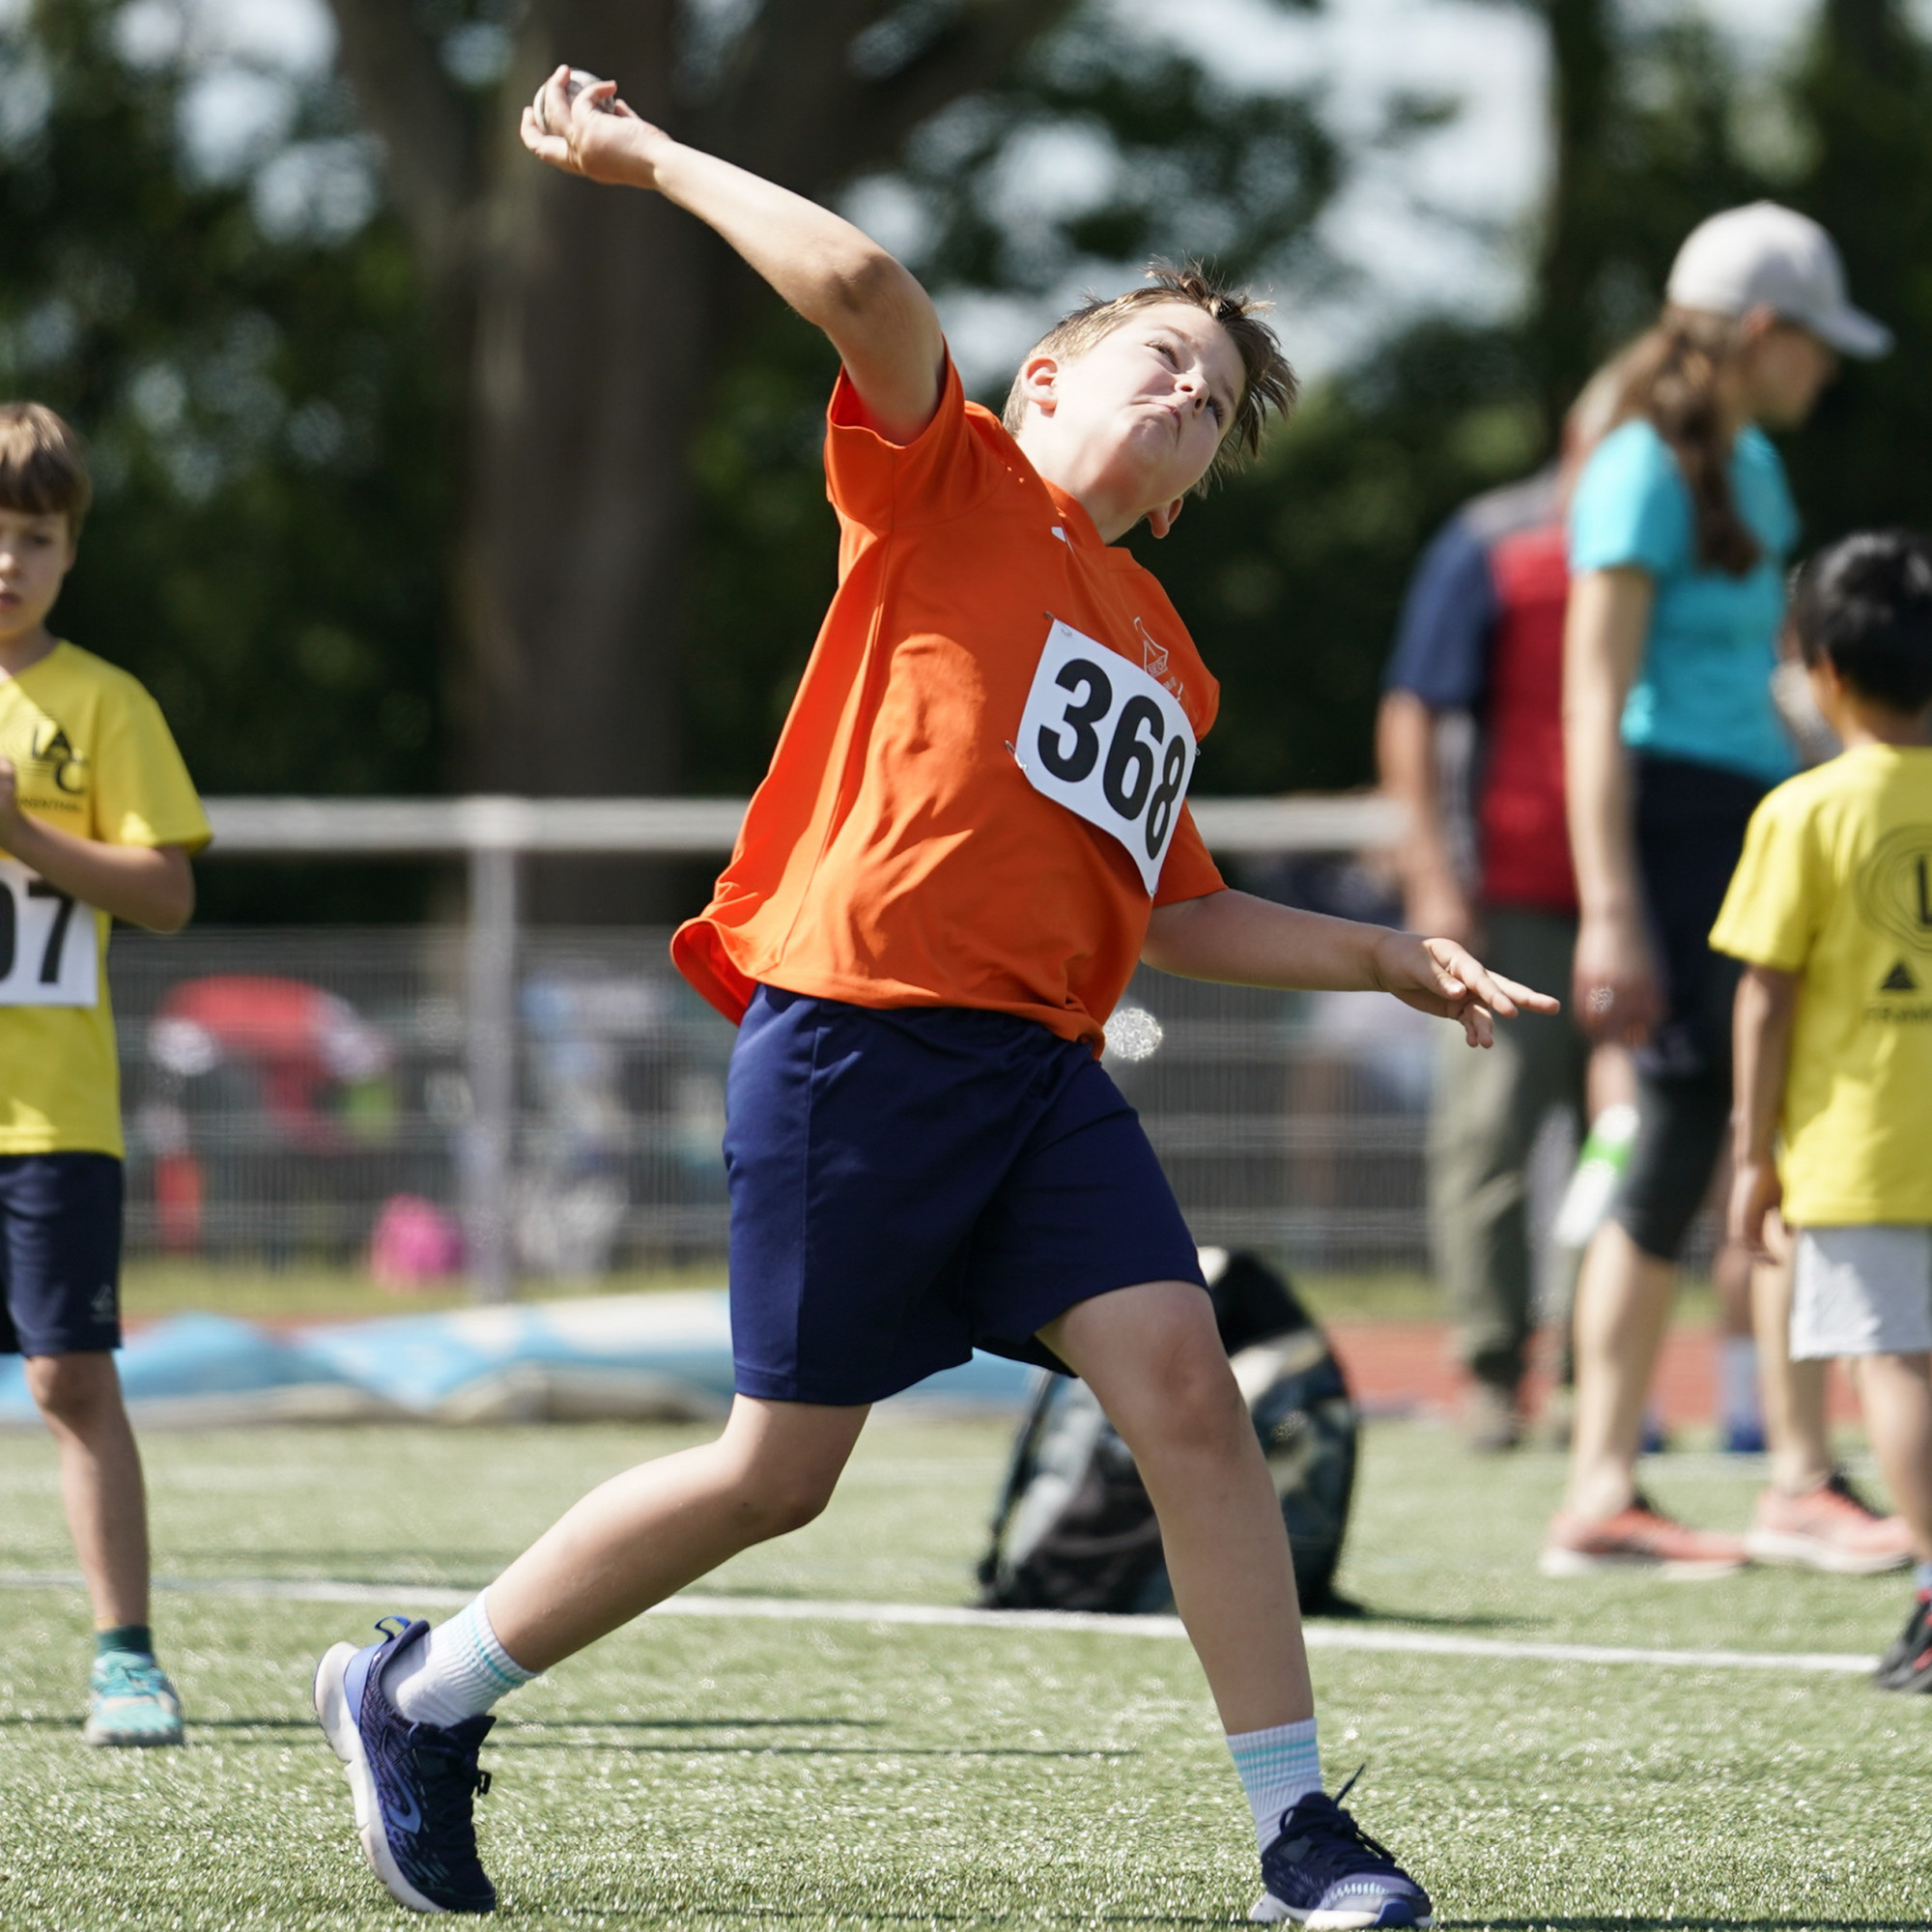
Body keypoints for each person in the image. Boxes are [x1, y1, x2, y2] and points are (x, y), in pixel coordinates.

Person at [307, 65, 1557, 1922]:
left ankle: (1303, 1836)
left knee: (1193, 1401)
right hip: (858, 1034)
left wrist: (1379, 954)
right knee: (775, 1476)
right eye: (1158, 360)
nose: (1186, 401)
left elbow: (1173, 908)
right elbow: (872, 289)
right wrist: (647, 153)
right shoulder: (946, 475)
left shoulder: (1168, 660)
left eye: (1213, 406)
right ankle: (422, 1694)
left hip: (1041, 1078)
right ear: (1044, 380)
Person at [1545, 202, 1909, 1577]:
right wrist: (1612, 903)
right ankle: (1606, 1488)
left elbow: (1761, 673)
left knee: (1764, 1135)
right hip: (1669, 822)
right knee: (1689, 1138)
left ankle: (1791, 1475)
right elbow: (1593, 698)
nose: (1825, 371)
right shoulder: (1639, 467)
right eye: (1816, 344)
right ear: (1764, 333)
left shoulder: (1750, 468)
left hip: (1748, 812)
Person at [0, 403, 210, 1743]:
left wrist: (21, 832)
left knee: (71, 1378)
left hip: (50, 1116)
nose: (6, 560)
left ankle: (125, 1655)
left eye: (34, 536)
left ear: (71, 553)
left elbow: (168, 891)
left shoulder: (103, 702)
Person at [1378, 353, 1632, 1451]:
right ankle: (1491, 1367)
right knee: (1488, 1138)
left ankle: (1597, 1373)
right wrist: (1434, 874)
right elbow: (1413, 709)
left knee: (1626, 1140)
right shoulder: (1492, 541)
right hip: (1511, 900)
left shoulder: (1675, 549)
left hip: (1639, 903)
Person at [1718, 528, 1932, 1684]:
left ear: (1819, 668)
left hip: (1860, 1148)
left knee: (1895, 1368)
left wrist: (1752, 1157)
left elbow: (1764, 995)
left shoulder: (1803, 811)